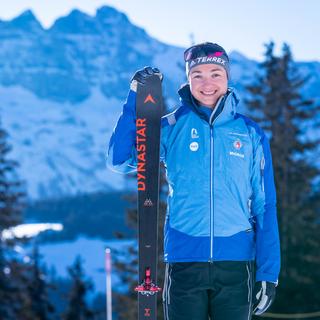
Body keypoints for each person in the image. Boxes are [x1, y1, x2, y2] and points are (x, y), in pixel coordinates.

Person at [107, 42, 280, 320]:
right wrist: (134, 101)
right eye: (198, 74)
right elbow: (119, 161)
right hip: (184, 261)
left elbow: (264, 205)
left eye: (215, 73)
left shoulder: (250, 134)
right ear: (188, 78)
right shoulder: (171, 128)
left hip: (236, 265)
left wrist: (269, 273)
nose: (207, 82)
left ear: (227, 78)